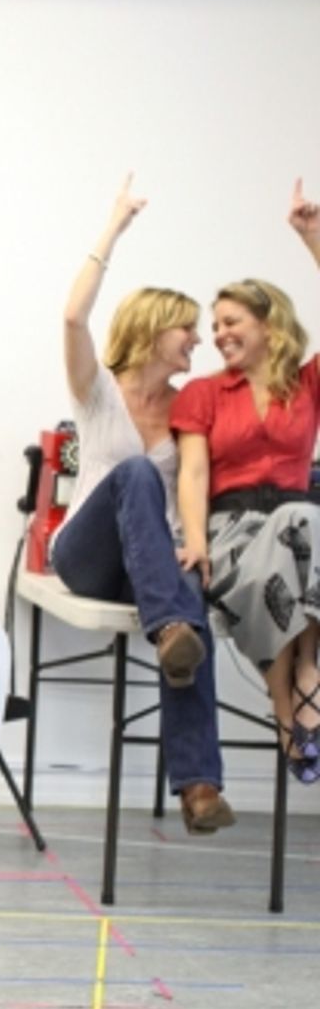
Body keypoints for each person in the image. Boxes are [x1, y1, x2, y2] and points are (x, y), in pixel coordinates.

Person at [50, 176, 234, 834]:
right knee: (133, 473)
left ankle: (200, 787)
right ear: (157, 330)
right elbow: (73, 317)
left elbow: (193, 488)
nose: (198, 342)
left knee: (187, 608)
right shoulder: (96, 390)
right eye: (188, 329)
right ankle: (172, 626)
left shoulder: (189, 413)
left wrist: (195, 548)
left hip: (146, 567)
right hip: (85, 556)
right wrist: (114, 225)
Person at [172, 180, 320, 781]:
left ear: (268, 324)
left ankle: (293, 709)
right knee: (292, 540)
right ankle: (304, 696)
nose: (218, 333)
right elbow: (193, 472)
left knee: (301, 525)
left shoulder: (306, 384)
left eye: (231, 320)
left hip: (298, 526)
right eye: (214, 325)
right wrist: (197, 540)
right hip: (232, 533)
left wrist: (313, 239)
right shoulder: (205, 393)